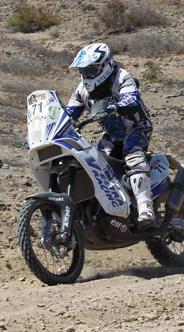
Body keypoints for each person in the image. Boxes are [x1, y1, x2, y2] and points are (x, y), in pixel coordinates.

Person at [66, 43, 155, 225]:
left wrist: (115, 107)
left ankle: (145, 206)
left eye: (90, 70)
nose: (86, 75)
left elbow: (132, 100)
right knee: (94, 164)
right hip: (112, 135)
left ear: (104, 65)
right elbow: (68, 114)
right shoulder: (82, 91)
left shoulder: (122, 77)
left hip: (136, 127)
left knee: (133, 155)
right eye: (83, 71)